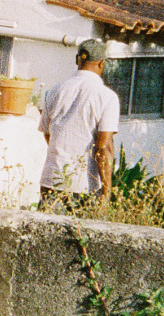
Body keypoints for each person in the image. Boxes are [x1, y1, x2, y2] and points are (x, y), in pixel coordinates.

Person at [38, 39, 119, 211]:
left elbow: (47, 133)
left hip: (51, 179)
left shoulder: (54, 90)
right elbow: (103, 146)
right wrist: (106, 192)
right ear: (102, 64)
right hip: (83, 185)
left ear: (77, 60)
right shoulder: (107, 97)